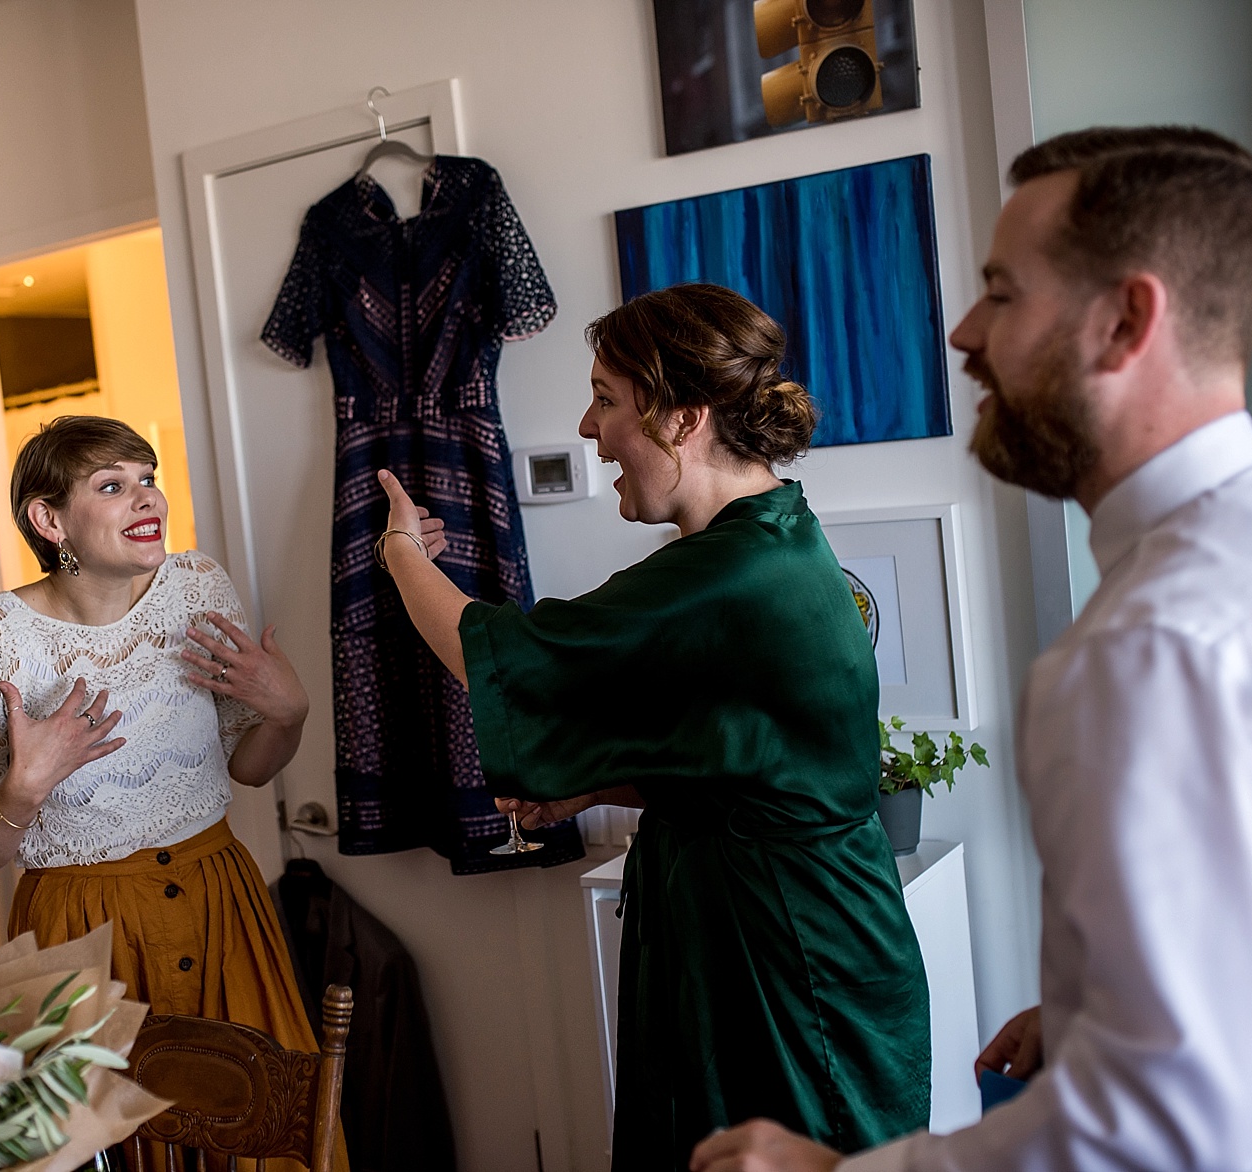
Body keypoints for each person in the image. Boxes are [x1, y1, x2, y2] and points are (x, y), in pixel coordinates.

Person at [691, 127, 1252, 1172]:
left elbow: (1151, 1137)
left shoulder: (1146, 651)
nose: (964, 332)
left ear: (1125, 320)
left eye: (1001, 292)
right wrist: (1089, 1011)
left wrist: (840, 1171)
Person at [374, 283, 932, 1170]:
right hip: (748, 925)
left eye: (604, 398)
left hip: (785, 955)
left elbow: (509, 657)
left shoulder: (731, 568)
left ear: (682, 418)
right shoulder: (768, 537)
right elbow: (750, 761)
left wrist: (400, 555)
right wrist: (600, 786)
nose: (589, 428)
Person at [0, 415, 349, 1172]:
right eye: (112, 485)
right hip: (80, 936)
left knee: (264, 1139)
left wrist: (289, 714)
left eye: (147, 477)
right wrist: (23, 791)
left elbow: (249, 767)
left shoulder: (196, 585)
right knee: (116, 1152)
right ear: (48, 519)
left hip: (223, 903)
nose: (145, 498)